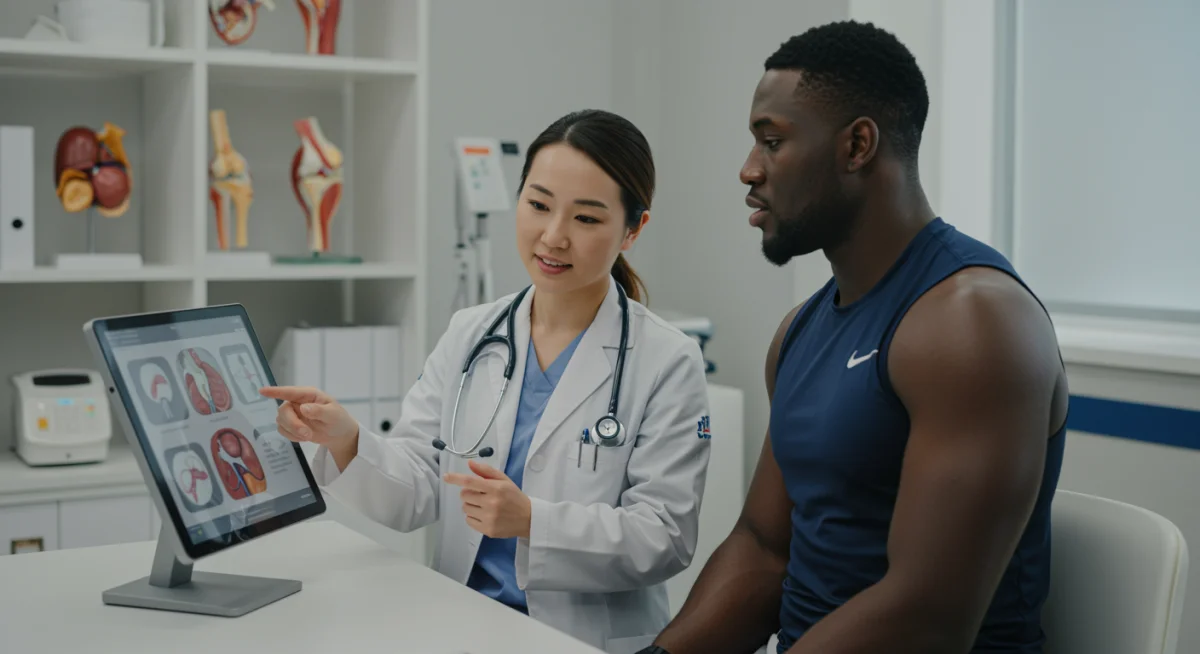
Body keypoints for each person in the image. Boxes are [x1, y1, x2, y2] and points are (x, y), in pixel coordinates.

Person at [639, 21, 1068, 654]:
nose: (748, 170)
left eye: (772, 140)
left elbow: (926, 617)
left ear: (857, 145)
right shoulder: (800, 333)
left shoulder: (973, 323)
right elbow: (762, 551)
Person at [260, 109, 712, 654]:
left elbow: (664, 537)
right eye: (538, 204)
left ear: (633, 229)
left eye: (586, 219)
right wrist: (345, 440)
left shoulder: (667, 360)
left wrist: (532, 522)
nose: (553, 236)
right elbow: (420, 488)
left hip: (578, 640)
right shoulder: (472, 332)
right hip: (460, 623)